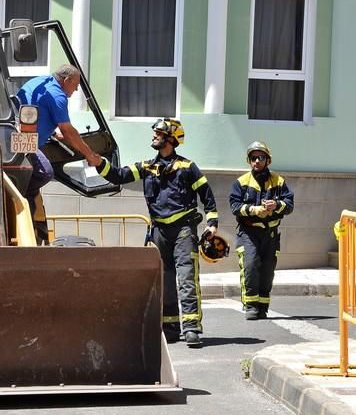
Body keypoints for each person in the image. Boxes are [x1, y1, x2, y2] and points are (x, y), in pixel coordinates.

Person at [95, 118, 218, 348]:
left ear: (170, 139)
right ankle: (170, 327)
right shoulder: (146, 166)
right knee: (165, 280)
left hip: (183, 229)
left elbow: (208, 198)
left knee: (186, 278)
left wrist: (212, 224)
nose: (153, 135)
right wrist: (97, 161)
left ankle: (191, 328)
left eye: (158, 133)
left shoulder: (187, 167)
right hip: (160, 231)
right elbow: (118, 175)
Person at [16, 64, 102, 218]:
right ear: (66, 80)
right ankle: (23, 199)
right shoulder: (57, 95)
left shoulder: (38, 82)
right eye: (75, 85)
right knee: (45, 172)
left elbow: (34, 112)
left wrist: (52, 134)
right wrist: (90, 155)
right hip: (26, 142)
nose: (76, 90)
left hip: (18, 137)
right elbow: (68, 131)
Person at [229, 141, 294, 320]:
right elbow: (234, 206)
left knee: (267, 271)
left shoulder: (278, 181)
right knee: (250, 266)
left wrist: (277, 205)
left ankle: (263, 306)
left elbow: (289, 205)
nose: (257, 161)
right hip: (248, 232)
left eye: (261, 157)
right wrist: (253, 210)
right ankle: (250, 305)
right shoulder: (241, 182)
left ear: (268, 160)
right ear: (249, 161)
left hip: (271, 234)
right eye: (253, 158)